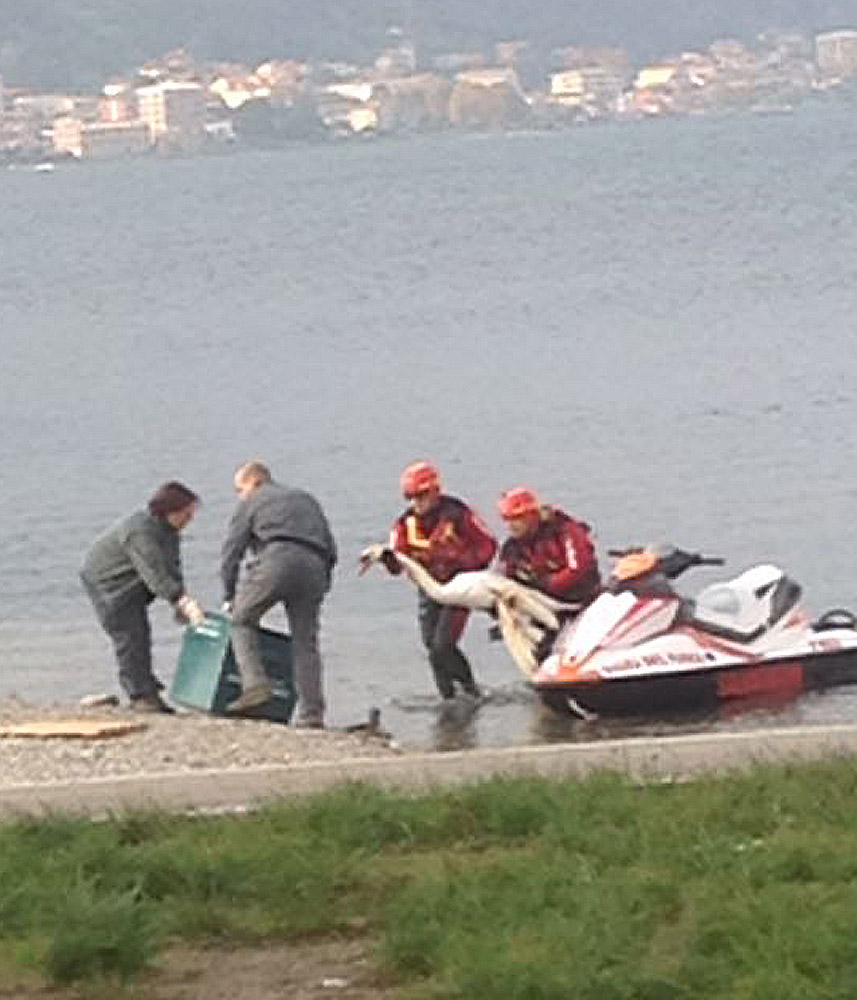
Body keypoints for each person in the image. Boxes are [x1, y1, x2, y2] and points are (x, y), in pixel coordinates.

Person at [221, 461, 337, 728]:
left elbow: (231, 552)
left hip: (276, 560)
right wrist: (323, 582)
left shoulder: (252, 502)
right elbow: (331, 547)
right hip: (314, 565)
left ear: (254, 483)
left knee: (241, 620)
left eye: (240, 489)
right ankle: (312, 713)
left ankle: (255, 684)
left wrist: (229, 595)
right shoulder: (306, 499)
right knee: (305, 642)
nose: (239, 496)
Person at [80, 481, 204, 714]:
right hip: (109, 585)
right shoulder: (140, 532)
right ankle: (140, 696)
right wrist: (181, 600)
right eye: (186, 514)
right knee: (129, 637)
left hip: (134, 583)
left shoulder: (169, 531)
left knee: (141, 635)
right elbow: (154, 571)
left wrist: (180, 600)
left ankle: (148, 691)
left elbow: (171, 566)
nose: (190, 520)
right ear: (170, 510)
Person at [380, 461, 497, 700]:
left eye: (421, 496)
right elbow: (397, 565)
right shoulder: (404, 524)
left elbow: (488, 545)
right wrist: (387, 560)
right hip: (428, 587)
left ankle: (470, 690)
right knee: (431, 646)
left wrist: (462, 560)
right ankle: (449, 697)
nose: (417, 503)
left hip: (459, 586)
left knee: (442, 645)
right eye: (411, 497)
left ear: (435, 491)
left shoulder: (458, 514)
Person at [497, 487, 601, 605]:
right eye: (507, 519)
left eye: (517, 517)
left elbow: (580, 569)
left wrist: (547, 584)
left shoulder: (565, 530)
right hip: (542, 604)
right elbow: (504, 580)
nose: (511, 525)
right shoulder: (511, 549)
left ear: (532, 514)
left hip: (585, 601)